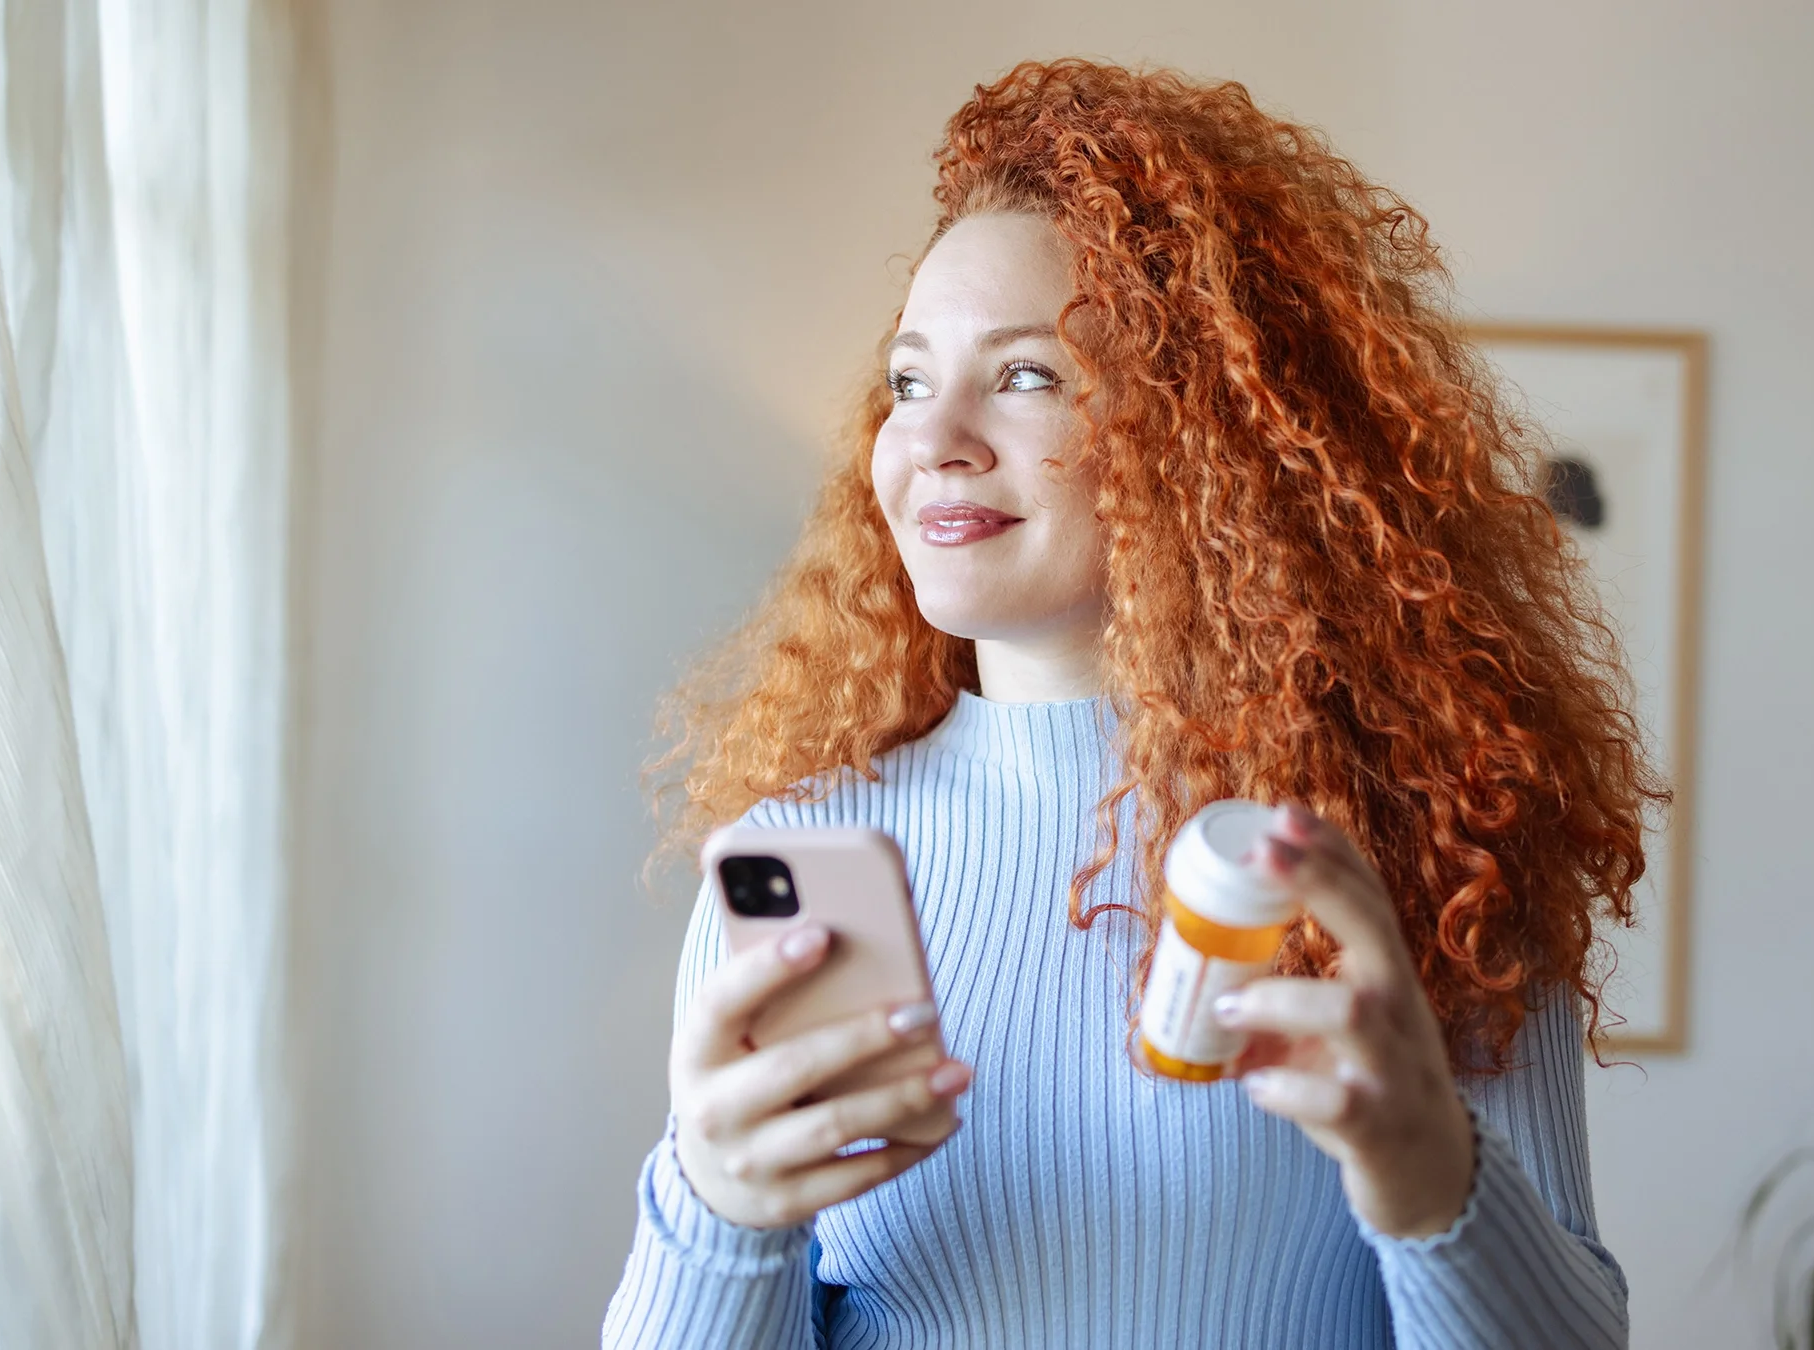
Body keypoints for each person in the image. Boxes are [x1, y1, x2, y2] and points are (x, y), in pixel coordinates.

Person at [605, 59, 1657, 1349]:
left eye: (1030, 375)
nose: (935, 437)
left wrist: (1433, 1174)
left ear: (1207, 429)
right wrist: (716, 1213)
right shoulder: (798, 858)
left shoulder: (1425, 848)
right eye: (908, 378)